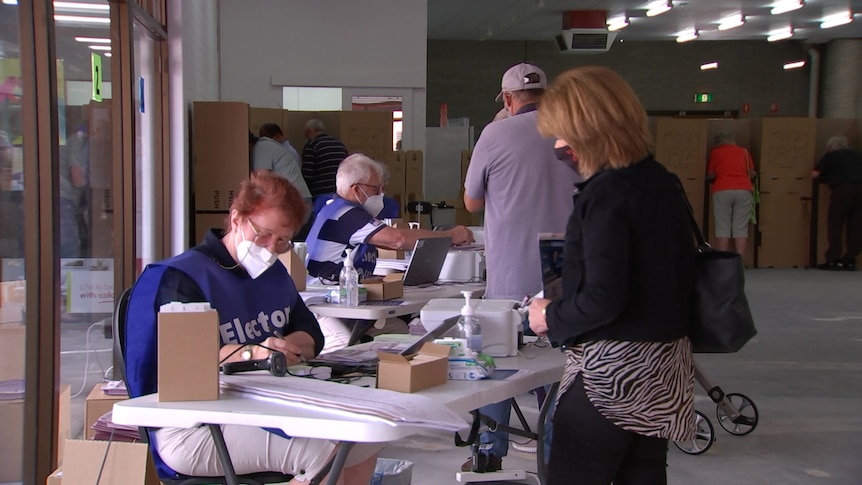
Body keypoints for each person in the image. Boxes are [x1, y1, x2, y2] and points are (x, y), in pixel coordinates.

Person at [123, 171, 381, 485]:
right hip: (192, 425)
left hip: (261, 407)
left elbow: (310, 333)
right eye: (263, 234)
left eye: (283, 240)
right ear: (236, 218)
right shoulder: (178, 279)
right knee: (328, 454)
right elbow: (174, 369)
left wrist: (291, 347)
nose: (271, 248)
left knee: (364, 439)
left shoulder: (272, 274)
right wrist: (254, 352)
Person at [528, 66, 696, 484]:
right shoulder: (661, 181)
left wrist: (549, 316)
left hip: (614, 376)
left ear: (586, 132)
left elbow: (603, 297)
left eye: (563, 135)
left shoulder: (606, 195)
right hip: (663, 370)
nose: (560, 146)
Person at [462, 62, 579, 471]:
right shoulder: (573, 133)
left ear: (508, 100)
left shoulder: (495, 133)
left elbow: (472, 202)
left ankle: (490, 455)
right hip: (563, 270)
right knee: (557, 364)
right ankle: (555, 460)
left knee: (499, 362)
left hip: (510, 271)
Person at [305, 153, 474, 352]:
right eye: (377, 189)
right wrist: (450, 236)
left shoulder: (344, 211)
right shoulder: (346, 213)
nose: (381, 194)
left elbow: (390, 242)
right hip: (322, 305)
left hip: (345, 301)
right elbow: (397, 240)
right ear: (357, 189)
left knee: (399, 330)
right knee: (343, 348)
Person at [812, 135, 862, 271]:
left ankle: (833, 259)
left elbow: (815, 174)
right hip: (860, 190)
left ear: (830, 146)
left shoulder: (831, 155)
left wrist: (826, 179)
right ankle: (850, 259)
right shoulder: (858, 154)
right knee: (856, 225)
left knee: (835, 223)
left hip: (842, 190)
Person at [706, 131, 756, 257]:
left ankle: (723, 260)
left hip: (722, 189)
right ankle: (739, 261)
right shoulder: (744, 152)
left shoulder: (715, 153)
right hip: (744, 189)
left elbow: (711, 175)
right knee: (740, 227)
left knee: (723, 226)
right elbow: (752, 173)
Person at [252, 125, 312, 203]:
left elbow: (263, 178)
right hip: (298, 197)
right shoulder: (270, 146)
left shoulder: (261, 147)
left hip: (292, 199)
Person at [302, 119, 348, 202]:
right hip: (340, 193)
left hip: (320, 194)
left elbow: (307, 174)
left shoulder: (311, 145)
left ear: (310, 131)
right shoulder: (340, 144)